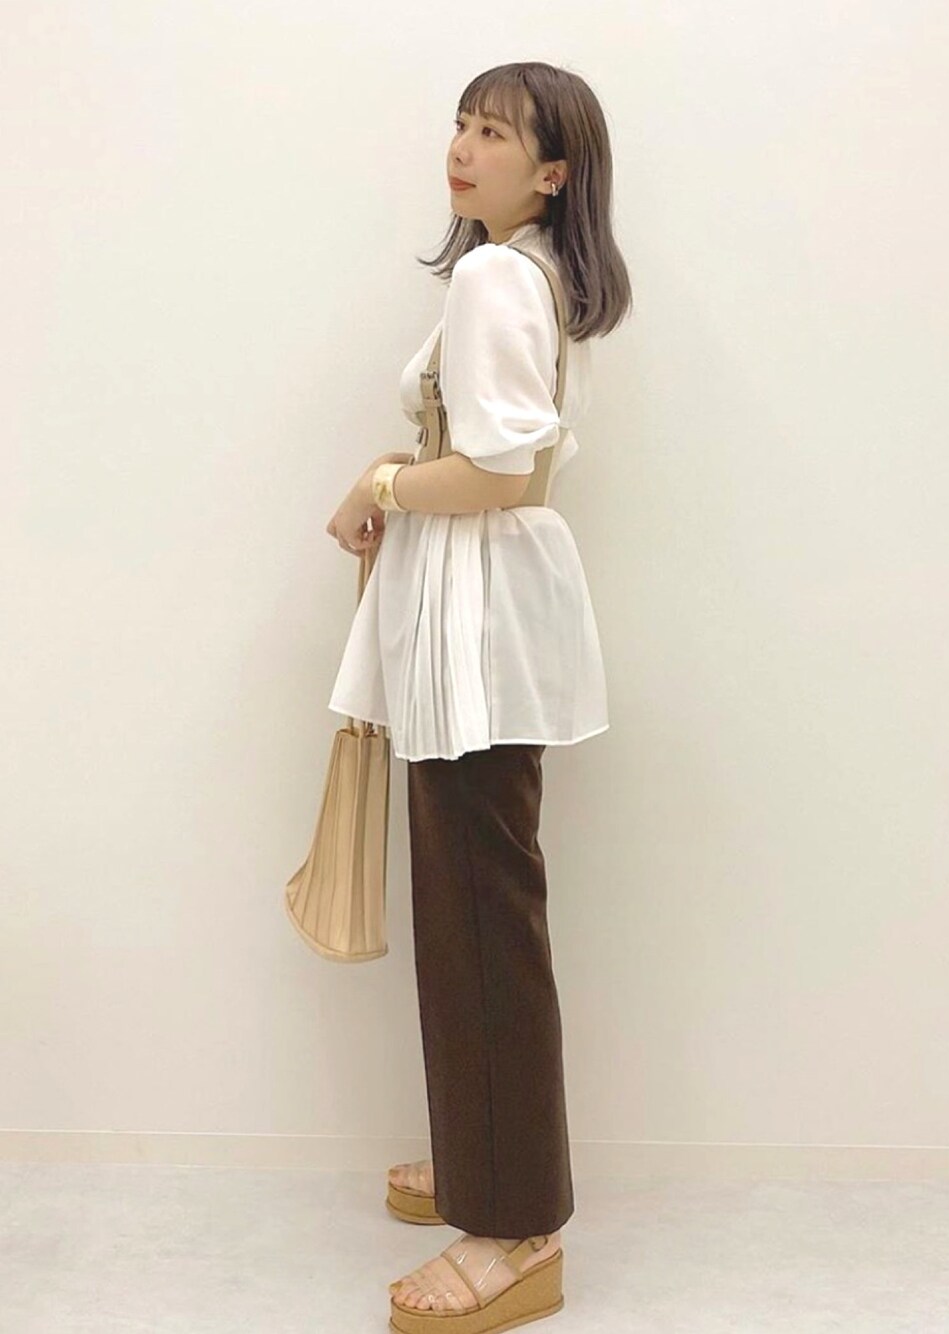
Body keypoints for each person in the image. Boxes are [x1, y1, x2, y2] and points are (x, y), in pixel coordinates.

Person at [325, 61, 632, 1331]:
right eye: (461, 122)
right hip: (482, 617)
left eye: (495, 131)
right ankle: (482, 1157)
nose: (463, 145)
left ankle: (512, 1223)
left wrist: (381, 484)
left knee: (481, 916)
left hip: (477, 625)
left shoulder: (499, 275)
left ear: (551, 171)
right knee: (473, 904)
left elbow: (500, 473)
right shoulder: (532, 270)